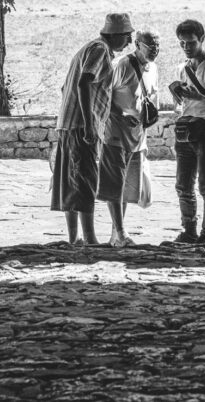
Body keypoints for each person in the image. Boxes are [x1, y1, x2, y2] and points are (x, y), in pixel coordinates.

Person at [50, 12, 133, 245]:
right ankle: (89, 238)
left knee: (71, 180)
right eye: (127, 37)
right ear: (116, 35)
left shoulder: (87, 48)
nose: (128, 43)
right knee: (85, 180)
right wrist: (89, 123)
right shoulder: (100, 50)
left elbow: (66, 86)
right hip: (81, 125)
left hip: (68, 123)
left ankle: (74, 238)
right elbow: (83, 82)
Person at [167, 19, 205, 245]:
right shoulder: (182, 68)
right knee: (183, 185)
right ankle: (189, 231)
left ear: (201, 39)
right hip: (185, 128)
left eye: (191, 42)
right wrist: (177, 93)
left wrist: (199, 97)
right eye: (182, 43)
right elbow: (181, 105)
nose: (186, 47)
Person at [98, 29, 160, 247]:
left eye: (157, 47)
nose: (155, 51)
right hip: (116, 132)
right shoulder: (122, 66)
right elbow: (104, 95)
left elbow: (152, 96)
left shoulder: (153, 69)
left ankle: (116, 233)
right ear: (137, 44)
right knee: (114, 183)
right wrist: (121, 116)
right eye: (150, 47)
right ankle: (121, 233)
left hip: (137, 134)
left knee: (126, 186)